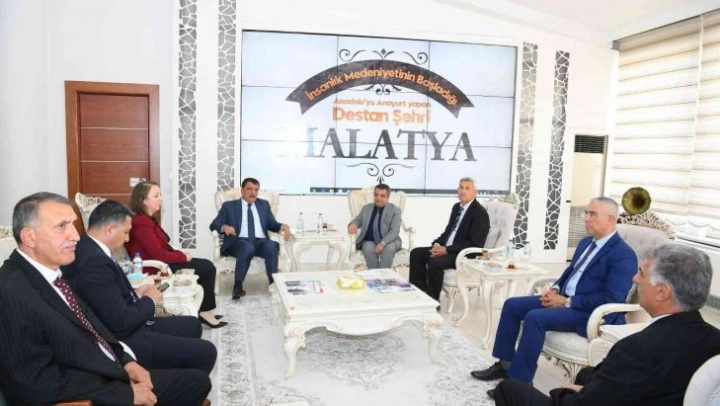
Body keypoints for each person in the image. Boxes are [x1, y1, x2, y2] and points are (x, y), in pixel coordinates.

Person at [0, 192, 211, 406]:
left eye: (73, 224)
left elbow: (91, 325)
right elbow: (33, 382)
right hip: (89, 388)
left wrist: (126, 361)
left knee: (195, 379)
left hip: (104, 364)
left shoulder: (49, 273)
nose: (75, 236)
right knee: (195, 382)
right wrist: (124, 394)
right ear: (29, 237)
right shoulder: (10, 292)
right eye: (62, 226)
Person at [494, 243, 720, 406]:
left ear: (662, 292)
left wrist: (566, 393)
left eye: (641, 274)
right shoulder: (715, 340)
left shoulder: (635, 348)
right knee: (587, 375)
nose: (634, 279)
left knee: (508, 388)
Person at [472, 197, 637, 397]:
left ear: (610, 219)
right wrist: (556, 289)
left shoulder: (623, 255)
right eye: (586, 213)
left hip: (589, 313)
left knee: (535, 318)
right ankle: (505, 365)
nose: (586, 218)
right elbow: (570, 272)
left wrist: (567, 301)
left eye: (593, 214)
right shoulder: (586, 243)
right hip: (566, 300)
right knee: (512, 305)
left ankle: (519, 383)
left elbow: (612, 298)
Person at [63, 200, 217, 374]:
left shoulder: (89, 248)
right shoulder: (94, 262)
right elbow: (120, 321)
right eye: (126, 232)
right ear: (109, 230)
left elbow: (104, 298)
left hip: (126, 321)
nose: (127, 239)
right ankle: (165, 380)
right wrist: (150, 300)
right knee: (207, 352)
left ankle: (172, 368)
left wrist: (135, 293)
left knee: (193, 324)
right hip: (124, 338)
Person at [125, 181, 226, 328]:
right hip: (156, 268)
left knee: (206, 265)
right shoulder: (141, 223)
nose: (160, 199)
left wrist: (180, 253)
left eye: (160, 195)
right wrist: (182, 257)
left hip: (162, 262)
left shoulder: (147, 219)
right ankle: (205, 312)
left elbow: (162, 246)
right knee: (207, 268)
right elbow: (157, 254)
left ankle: (204, 310)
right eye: (156, 196)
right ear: (142, 200)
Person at [409, 177, 490, 301]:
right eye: (461, 187)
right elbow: (448, 232)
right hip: (447, 248)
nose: (463, 191)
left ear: (475, 192)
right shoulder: (457, 207)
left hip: (463, 253)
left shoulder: (480, 213)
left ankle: (432, 301)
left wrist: (447, 250)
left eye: (467, 188)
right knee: (416, 253)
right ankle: (419, 295)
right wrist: (437, 244)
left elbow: (475, 244)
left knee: (434, 262)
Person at [209, 177, 290, 300]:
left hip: (260, 242)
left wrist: (283, 226)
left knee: (271, 245)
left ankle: (273, 284)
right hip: (237, 242)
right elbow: (214, 224)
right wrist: (224, 227)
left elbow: (272, 224)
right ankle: (238, 286)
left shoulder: (264, 205)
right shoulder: (229, 206)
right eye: (249, 189)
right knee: (247, 247)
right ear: (242, 190)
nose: (253, 193)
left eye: (256, 190)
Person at [348, 183, 402, 269]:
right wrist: (353, 225)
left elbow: (394, 231)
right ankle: (375, 274)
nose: (378, 198)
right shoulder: (366, 208)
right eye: (376, 195)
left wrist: (383, 243)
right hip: (369, 240)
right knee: (368, 249)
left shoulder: (395, 210)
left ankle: (383, 275)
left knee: (389, 249)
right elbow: (357, 221)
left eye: (382, 196)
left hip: (390, 241)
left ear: (387, 197)